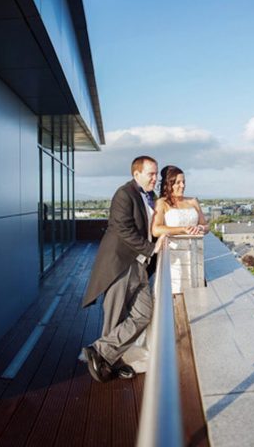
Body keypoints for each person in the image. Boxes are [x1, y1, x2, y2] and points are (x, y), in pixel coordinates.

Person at [82, 156, 166, 382]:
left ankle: (100, 351)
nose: (155, 178)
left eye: (156, 174)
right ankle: (107, 365)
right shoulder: (124, 194)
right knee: (115, 317)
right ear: (136, 174)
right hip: (121, 264)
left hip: (140, 265)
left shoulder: (151, 197)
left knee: (144, 314)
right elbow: (122, 229)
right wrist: (151, 248)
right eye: (151, 174)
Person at [151, 165, 208, 293]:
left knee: (196, 293)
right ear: (168, 184)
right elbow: (156, 229)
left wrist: (199, 228)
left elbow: (206, 226)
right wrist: (183, 229)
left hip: (194, 255)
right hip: (173, 256)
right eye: (178, 182)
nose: (182, 186)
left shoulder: (193, 201)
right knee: (174, 293)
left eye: (183, 182)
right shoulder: (162, 203)